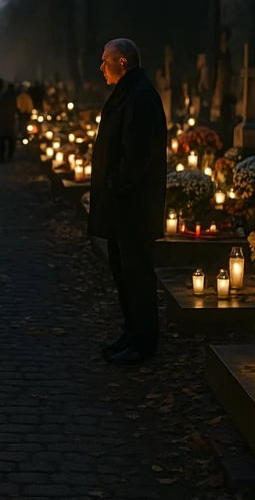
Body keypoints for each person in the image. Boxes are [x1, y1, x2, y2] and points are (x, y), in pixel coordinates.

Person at [88, 39, 167, 366]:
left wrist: (117, 184)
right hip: (123, 204)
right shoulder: (128, 92)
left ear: (123, 62)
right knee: (123, 271)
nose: (101, 67)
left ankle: (144, 342)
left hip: (133, 204)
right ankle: (131, 333)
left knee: (137, 273)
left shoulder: (141, 95)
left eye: (105, 61)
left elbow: (137, 151)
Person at [0, 83, 20, 163]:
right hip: (10, 122)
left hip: (1, 121)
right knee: (11, 141)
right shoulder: (14, 97)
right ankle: (9, 156)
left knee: (2, 142)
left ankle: (2, 158)